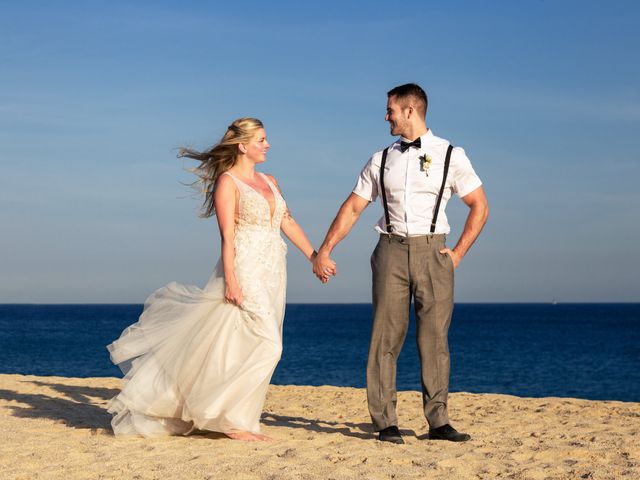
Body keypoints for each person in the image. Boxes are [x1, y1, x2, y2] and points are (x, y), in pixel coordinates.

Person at [107, 117, 317, 442]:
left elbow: (287, 222)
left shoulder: (271, 180)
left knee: (242, 342)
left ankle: (236, 417)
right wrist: (231, 279)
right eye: (261, 140)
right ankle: (231, 421)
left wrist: (314, 256)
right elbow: (227, 237)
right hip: (245, 266)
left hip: (274, 269)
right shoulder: (228, 183)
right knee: (270, 346)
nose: (268, 145)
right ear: (243, 145)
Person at [312, 84, 489, 444]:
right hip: (390, 250)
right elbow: (353, 207)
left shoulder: (451, 154)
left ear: (410, 110)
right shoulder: (380, 159)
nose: (386, 116)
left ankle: (438, 422)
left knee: (434, 339)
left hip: (434, 252)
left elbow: (480, 206)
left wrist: (457, 254)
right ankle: (385, 422)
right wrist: (325, 249)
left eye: (390, 110)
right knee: (385, 338)